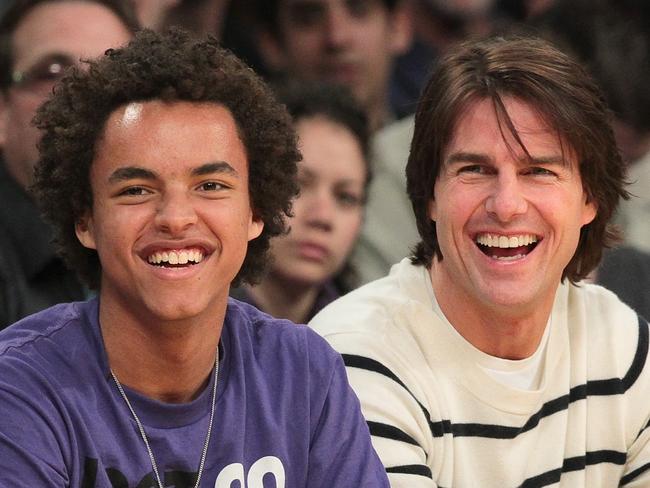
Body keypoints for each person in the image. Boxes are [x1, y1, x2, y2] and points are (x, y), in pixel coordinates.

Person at [0, 29, 389, 487]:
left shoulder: (303, 373)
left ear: (256, 212)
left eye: (210, 186)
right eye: (136, 190)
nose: (176, 218)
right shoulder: (20, 388)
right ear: (84, 220)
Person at [310, 35, 650, 487]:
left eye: (538, 172)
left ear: (589, 198)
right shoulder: (352, 356)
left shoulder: (623, 346)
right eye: (475, 170)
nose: (506, 205)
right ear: (430, 194)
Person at [0, 0, 139, 329]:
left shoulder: (178, 233)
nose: (87, 95)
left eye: (114, 74)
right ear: (2, 111)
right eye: (53, 73)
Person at [232, 82, 370, 323]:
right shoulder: (200, 322)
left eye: (345, 197)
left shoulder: (365, 332)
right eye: (298, 186)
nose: (322, 217)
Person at [256, 0, 413, 133]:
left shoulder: (430, 150)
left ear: (398, 27)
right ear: (271, 44)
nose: (337, 38)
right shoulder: (246, 162)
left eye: (358, 10)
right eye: (309, 18)